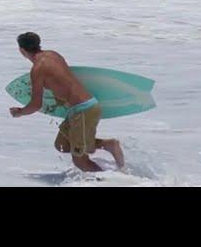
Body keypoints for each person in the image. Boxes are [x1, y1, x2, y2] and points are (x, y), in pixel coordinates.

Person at [10, 32, 125, 171]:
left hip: (83, 111)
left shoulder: (37, 69)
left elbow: (36, 105)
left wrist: (20, 112)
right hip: (79, 110)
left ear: (22, 51)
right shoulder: (53, 55)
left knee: (80, 161)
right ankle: (107, 145)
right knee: (62, 145)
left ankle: (110, 182)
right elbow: (63, 81)